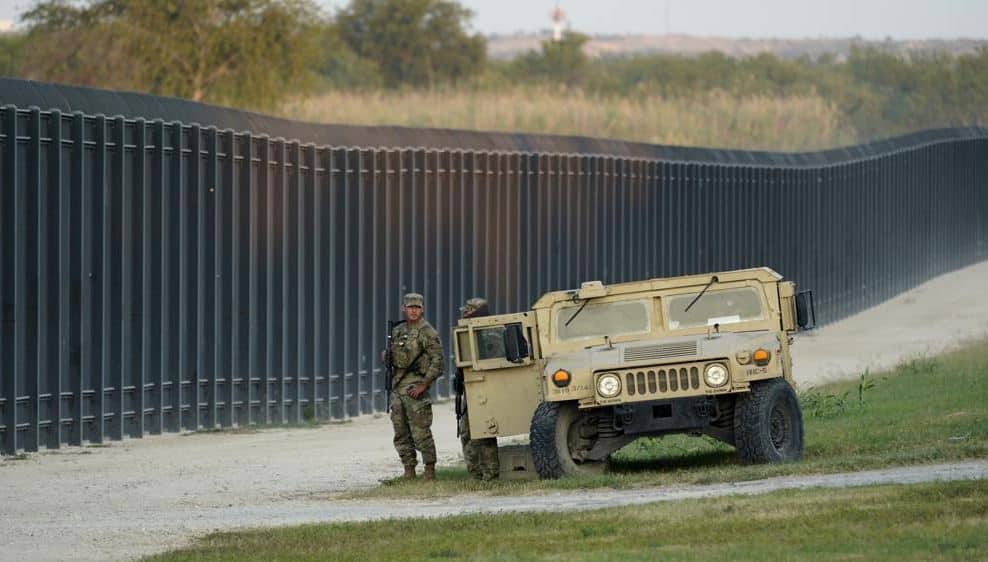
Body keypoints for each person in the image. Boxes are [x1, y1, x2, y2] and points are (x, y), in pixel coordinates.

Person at [387, 293, 445, 481]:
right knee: (400, 431)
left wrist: (424, 384)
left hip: (415, 387)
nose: (414, 310)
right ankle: (409, 469)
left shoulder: (427, 332)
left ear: (422, 309)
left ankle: (429, 470)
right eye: (410, 307)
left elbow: (438, 362)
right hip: (398, 387)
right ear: (403, 308)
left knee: (421, 432)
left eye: (417, 307)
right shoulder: (398, 330)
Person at [455, 297, 500, 481]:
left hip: (484, 389)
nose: (464, 314)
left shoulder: (492, 332)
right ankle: (476, 474)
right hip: (470, 389)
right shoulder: (467, 333)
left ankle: (490, 475)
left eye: (468, 311)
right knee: (467, 432)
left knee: (484, 432)